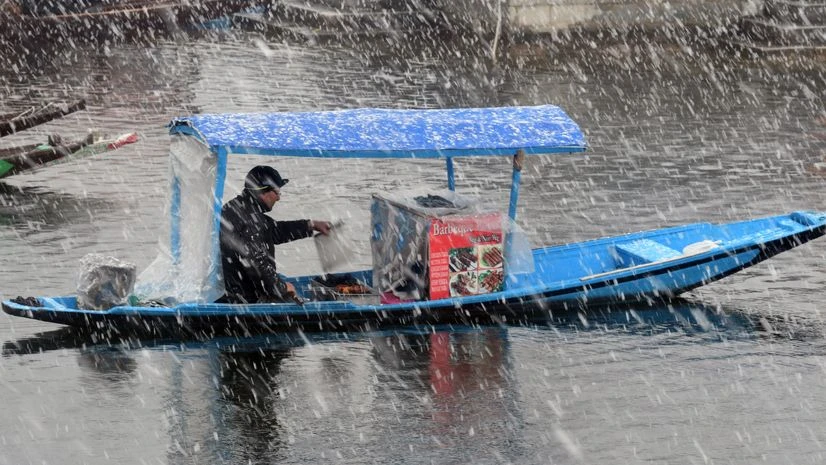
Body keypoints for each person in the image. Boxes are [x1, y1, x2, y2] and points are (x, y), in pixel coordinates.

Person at [220, 165, 332, 304]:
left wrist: (311, 225)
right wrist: (281, 287)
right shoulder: (249, 219)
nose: (278, 198)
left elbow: (274, 231)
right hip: (244, 299)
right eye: (277, 192)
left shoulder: (239, 208)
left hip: (231, 289)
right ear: (263, 192)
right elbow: (257, 263)